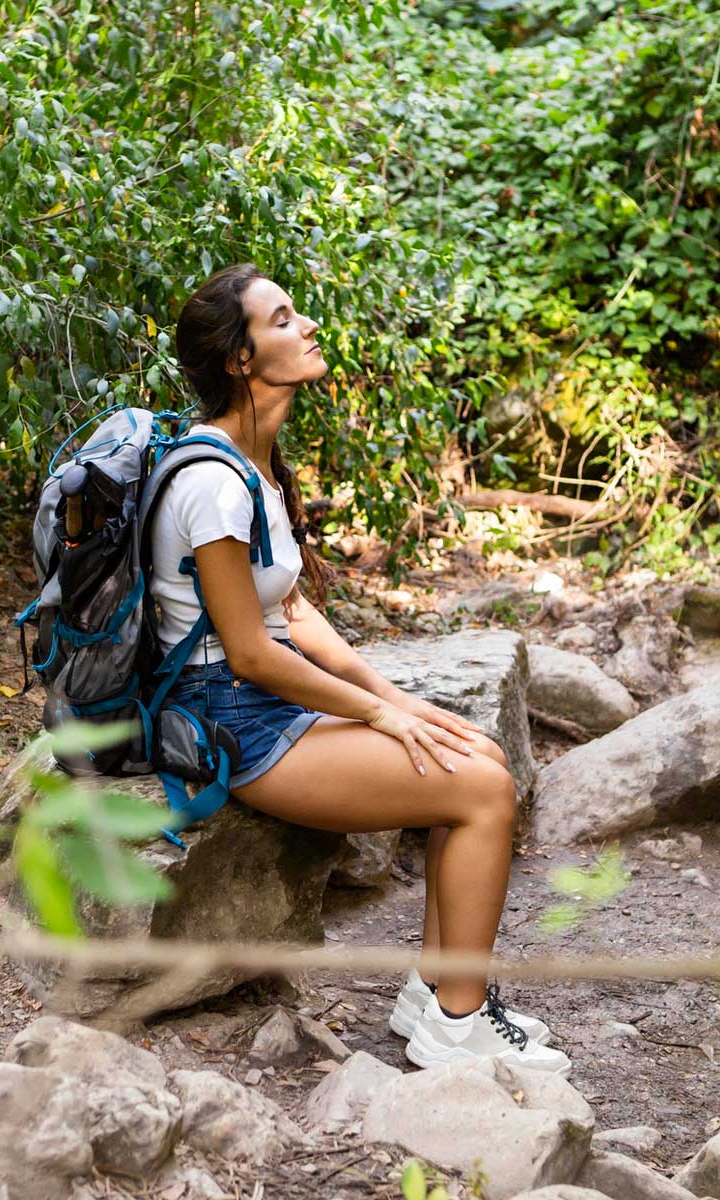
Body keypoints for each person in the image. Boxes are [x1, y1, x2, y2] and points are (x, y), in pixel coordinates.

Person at [150, 262, 569, 1074]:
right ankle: (458, 1027)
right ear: (241, 358)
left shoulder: (253, 463)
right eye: (281, 319)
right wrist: (377, 717)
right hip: (231, 722)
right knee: (481, 789)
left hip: (261, 703)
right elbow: (248, 650)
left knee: (475, 753)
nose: (306, 326)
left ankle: (440, 996)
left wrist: (396, 697)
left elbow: (296, 612)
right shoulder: (212, 483)